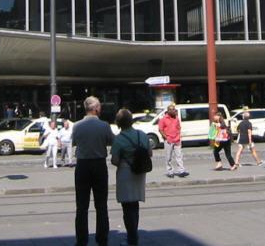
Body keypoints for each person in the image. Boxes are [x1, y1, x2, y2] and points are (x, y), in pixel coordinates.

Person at [71, 96, 114, 246]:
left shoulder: (77, 126)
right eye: (100, 107)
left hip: (82, 166)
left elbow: (74, 142)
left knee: (81, 206)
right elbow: (111, 141)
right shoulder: (104, 125)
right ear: (95, 109)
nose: (100, 109)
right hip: (99, 165)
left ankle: (81, 240)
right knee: (101, 205)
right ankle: (102, 238)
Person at [111, 109, 151, 246]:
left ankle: (132, 238)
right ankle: (134, 236)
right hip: (140, 172)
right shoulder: (142, 135)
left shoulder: (119, 139)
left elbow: (115, 160)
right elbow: (149, 153)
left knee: (127, 206)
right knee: (135, 204)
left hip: (125, 172)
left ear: (118, 123)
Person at [158, 104, 188, 178]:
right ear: (168, 111)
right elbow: (160, 129)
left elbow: (178, 127)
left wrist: (178, 135)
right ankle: (170, 171)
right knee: (168, 157)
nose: (174, 110)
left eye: (174, 109)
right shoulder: (163, 119)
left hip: (177, 140)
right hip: (169, 140)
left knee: (179, 156)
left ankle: (181, 171)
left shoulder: (176, 118)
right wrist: (166, 137)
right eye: (171, 109)